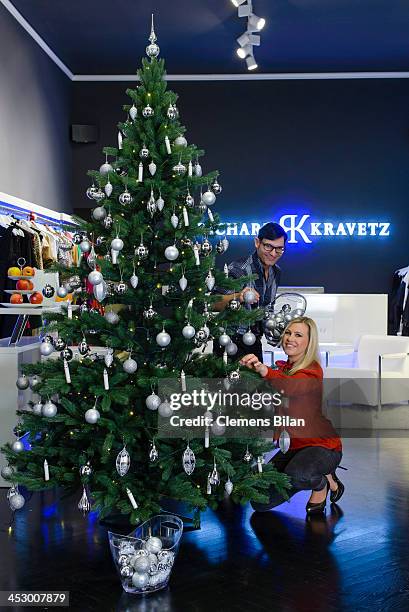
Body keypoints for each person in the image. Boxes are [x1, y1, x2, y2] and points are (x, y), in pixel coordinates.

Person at [240, 316, 344, 515]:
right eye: (288, 333)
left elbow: (290, 387)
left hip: (322, 446)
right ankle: (324, 475)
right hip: (294, 447)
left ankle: (322, 484)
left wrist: (264, 370)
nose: (290, 338)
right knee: (259, 500)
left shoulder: (312, 372)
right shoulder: (283, 370)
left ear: (308, 342)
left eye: (298, 335)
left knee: (299, 475)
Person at [213, 222, 288, 361]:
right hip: (229, 341)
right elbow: (213, 303)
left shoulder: (276, 272)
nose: (273, 253)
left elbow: (265, 309)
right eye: (268, 246)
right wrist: (239, 297)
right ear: (257, 242)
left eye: (279, 249)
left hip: (254, 341)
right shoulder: (238, 269)